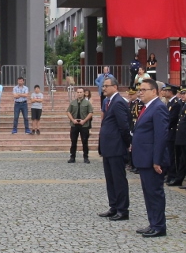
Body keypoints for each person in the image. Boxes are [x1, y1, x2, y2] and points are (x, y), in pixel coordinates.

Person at [131, 78, 170, 237]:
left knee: (155, 193)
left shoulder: (158, 107)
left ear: (154, 91)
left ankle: (159, 226)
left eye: (143, 90)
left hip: (151, 159)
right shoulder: (147, 107)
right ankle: (153, 222)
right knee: (148, 193)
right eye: (140, 90)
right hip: (144, 158)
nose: (140, 92)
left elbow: (161, 136)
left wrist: (157, 160)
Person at [97, 77, 131, 219]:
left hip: (116, 147)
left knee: (118, 179)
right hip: (108, 148)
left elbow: (124, 126)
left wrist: (127, 143)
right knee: (110, 179)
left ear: (115, 87)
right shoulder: (109, 102)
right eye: (103, 86)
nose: (103, 88)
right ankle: (114, 206)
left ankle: (122, 209)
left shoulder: (118, 103)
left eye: (106, 86)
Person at [67, 88, 93, 164]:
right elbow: (68, 112)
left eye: (81, 92)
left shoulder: (87, 103)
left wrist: (84, 121)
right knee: (73, 141)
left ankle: (86, 157)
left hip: (84, 125)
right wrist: (72, 120)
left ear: (83, 93)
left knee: (85, 142)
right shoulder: (73, 103)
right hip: (74, 124)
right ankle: (72, 157)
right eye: (78, 92)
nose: (79, 94)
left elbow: (90, 112)